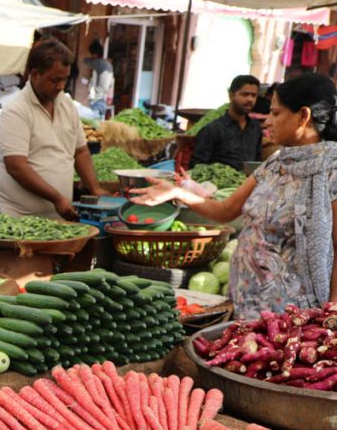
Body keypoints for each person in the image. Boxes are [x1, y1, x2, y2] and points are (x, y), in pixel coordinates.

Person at [132, 73, 337, 320]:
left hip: (291, 320)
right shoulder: (275, 164)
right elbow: (226, 210)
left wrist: (332, 314)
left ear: (303, 116)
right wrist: (178, 192)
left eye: (275, 113)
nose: (267, 121)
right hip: (246, 304)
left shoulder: (331, 172)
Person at [0, 39, 107, 220]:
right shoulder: (16, 110)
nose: (61, 86)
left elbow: (81, 151)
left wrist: (95, 189)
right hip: (17, 218)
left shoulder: (67, 104)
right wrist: (57, 198)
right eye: (55, 80)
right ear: (35, 74)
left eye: (64, 79)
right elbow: (17, 167)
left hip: (57, 217)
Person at [191, 75, 262, 171]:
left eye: (253, 95)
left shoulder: (255, 128)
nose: (250, 99)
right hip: (219, 179)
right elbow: (197, 166)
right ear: (231, 95)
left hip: (248, 179)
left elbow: (257, 162)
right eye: (245, 94)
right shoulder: (213, 130)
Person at [83, 40, 114, 119]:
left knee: (93, 119)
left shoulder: (98, 62)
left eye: (90, 53)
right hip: (104, 98)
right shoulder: (108, 64)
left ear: (94, 54)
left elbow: (85, 60)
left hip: (97, 98)